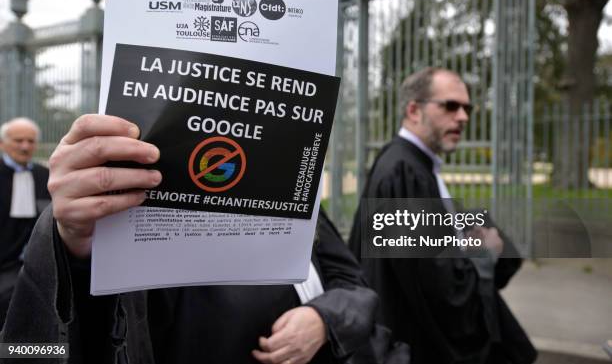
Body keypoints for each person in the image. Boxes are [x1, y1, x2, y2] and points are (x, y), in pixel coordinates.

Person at [1, 114, 380, 364]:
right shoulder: (147, 198)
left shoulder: (299, 192)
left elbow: (353, 283)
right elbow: (94, 329)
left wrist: (323, 319)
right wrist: (73, 239)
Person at [348, 68, 537, 364]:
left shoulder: (415, 166)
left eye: (467, 108)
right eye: (450, 106)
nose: (463, 117)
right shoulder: (404, 172)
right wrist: (484, 253)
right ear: (413, 110)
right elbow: (437, 286)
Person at [0, 117, 50, 327]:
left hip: (37, 262)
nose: (25, 146)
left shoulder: (45, 175)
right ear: (3, 143)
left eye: (30, 141)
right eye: (18, 140)